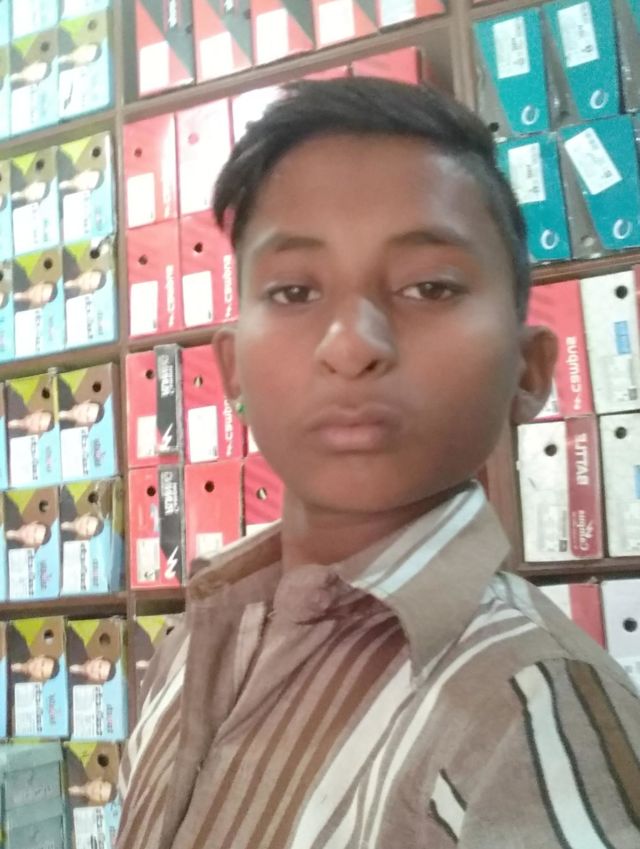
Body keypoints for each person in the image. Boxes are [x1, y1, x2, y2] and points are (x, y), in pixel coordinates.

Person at [116, 78, 640, 849]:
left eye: (428, 286)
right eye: (294, 291)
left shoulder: (531, 707)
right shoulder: (195, 642)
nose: (352, 344)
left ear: (528, 370)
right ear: (230, 371)